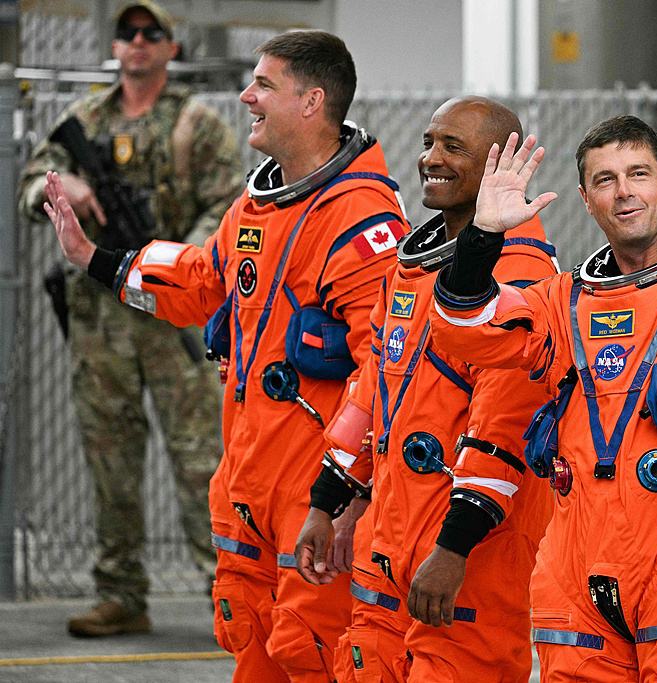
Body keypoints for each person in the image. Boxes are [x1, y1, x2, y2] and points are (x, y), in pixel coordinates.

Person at [42, 30, 408, 682]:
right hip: (248, 485)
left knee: (313, 648)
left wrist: (352, 496)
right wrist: (92, 258)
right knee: (251, 640)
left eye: (264, 85)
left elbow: (385, 373)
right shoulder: (258, 205)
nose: (247, 96)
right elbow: (197, 278)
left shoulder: (362, 221)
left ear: (311, 101)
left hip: (314, 496)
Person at [429, 115, 657, 681]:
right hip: (576, 566)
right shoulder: (565, 298)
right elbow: (465, 327)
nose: (624, 193)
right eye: (605, 180)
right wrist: (482, 238)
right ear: (585, 199)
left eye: (638, 174)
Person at [292, 96, 559, 682]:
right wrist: (329, 501)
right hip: (389, 543)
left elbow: (505, 427)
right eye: (428, 143)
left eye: (452, 147)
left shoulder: (522, 277)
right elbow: (372, 395)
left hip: (465, 558)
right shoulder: (411, 264)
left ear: (495, 166)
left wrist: (455, 549)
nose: (430, 159)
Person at [17, 0, 240, 637]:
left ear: (172, 47)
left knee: (201, 459)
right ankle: (121, 591)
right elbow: (33, 181)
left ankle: (225, 590)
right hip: (101, 322)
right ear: (115, 47)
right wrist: (64, 191)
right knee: (109, 459)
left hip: (171, 317)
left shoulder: (197, 126)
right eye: (127, 34)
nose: (137, 44)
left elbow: (226, 212)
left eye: (151, 34)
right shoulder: (81, 120)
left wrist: (168, 269)